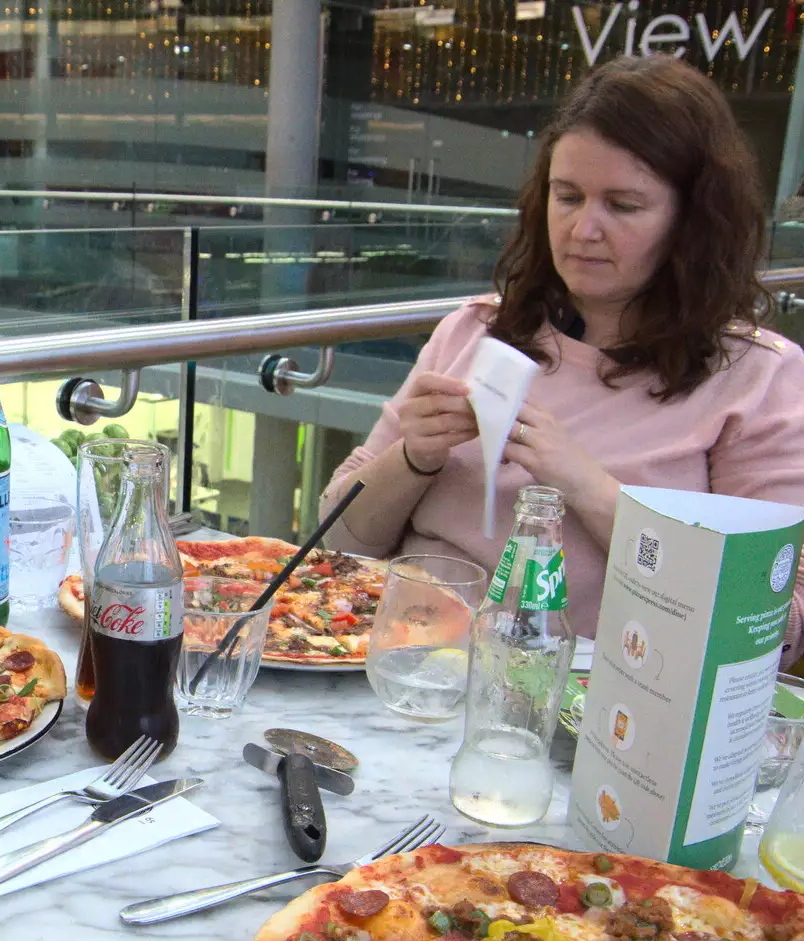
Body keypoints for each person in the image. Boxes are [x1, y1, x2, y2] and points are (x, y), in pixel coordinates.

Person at [322, 54, 804, 656]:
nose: (582, 229)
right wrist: (411, 459)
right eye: (567, 195)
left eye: (622, 205)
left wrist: (587, 487)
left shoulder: (757, 377)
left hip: (591, 705)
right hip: (399, 670)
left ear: (693, 222)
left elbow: (773, 627)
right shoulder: (476, 330)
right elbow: (336, 542)